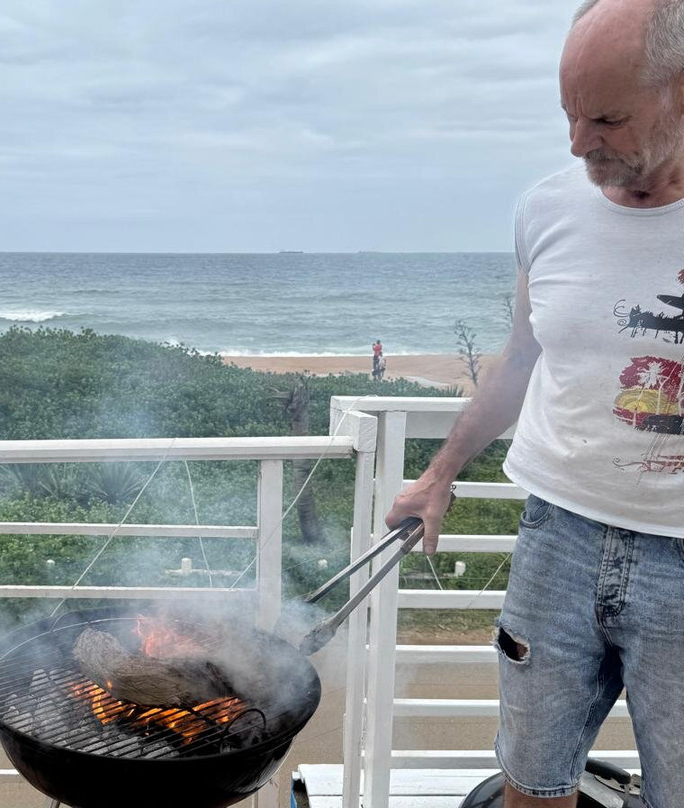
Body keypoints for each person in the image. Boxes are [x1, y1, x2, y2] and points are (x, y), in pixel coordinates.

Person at [386, 1, 684, 806]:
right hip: (556, 537)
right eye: (570, 115)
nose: (580, 141)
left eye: (609, 118)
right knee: (531, 784)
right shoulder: (546, 209)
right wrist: (440, 473)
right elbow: (522, 357)